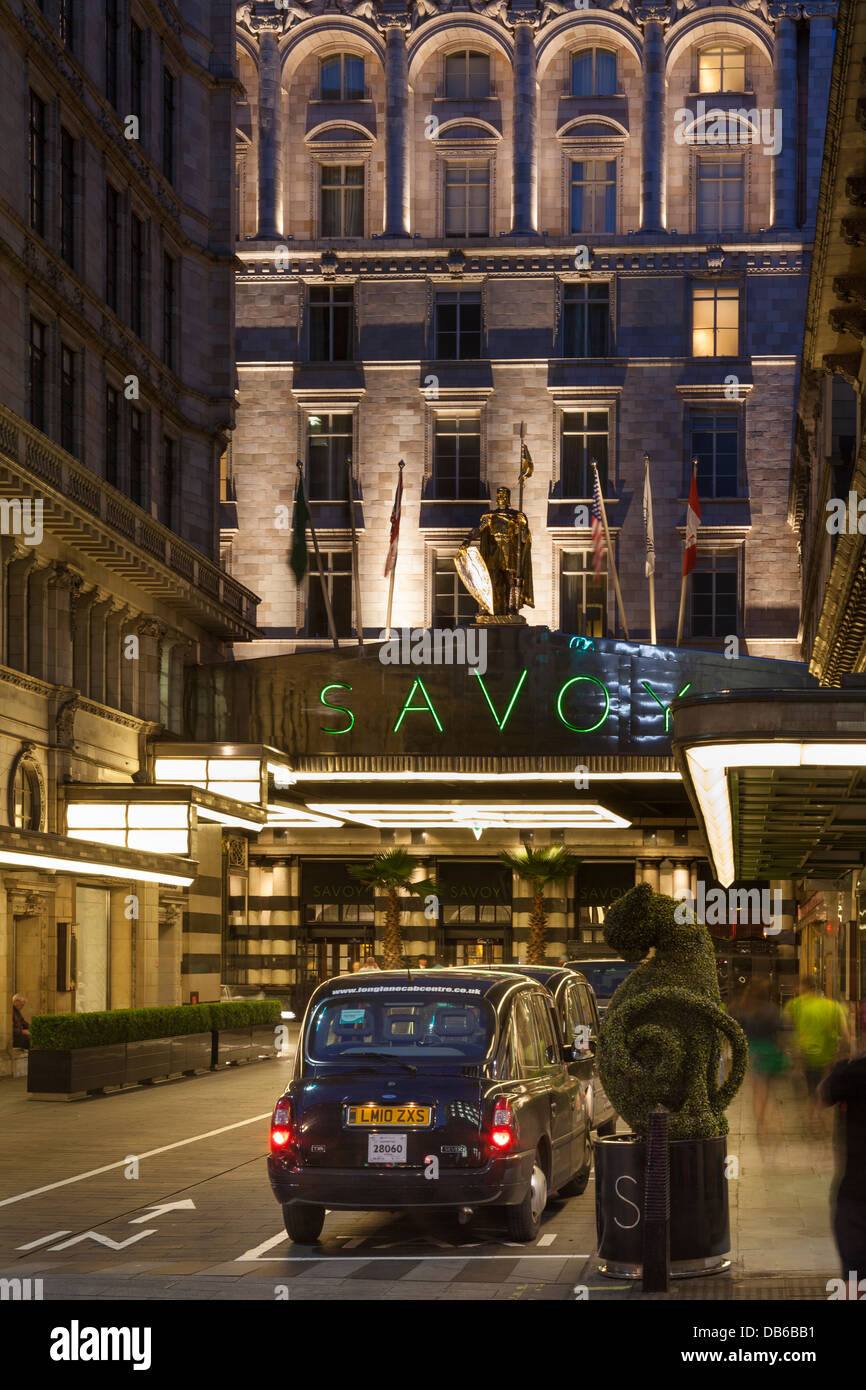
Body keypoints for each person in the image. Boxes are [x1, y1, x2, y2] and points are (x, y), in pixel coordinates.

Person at [820, 1051, 866, 1290]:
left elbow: (826, 1093)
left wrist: (840, 1067)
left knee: (855, 1274)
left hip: (856, 1194)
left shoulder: (855, 1072)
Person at [784, 978, 850, 1134]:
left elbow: (786, 1027)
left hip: (805, 1053)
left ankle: (814, 1114)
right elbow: (845, 1034)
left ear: (804, 987)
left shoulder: (795, 1004)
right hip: (828, 1054)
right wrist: (845, 1051)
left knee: (812, 1087)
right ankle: (817, 1114)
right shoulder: (832, 1005)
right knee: (824, 1085)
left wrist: (791, 1051)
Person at [731, 979, 787, 1136]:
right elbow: (781, 1033)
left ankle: (761, 1123)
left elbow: (736, 1031)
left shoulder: (744, 1010)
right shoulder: (774, 1010)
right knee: (767, 1089)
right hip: (771, 1051)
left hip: (753, 1053)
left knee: (757, 1090)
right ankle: (768, 1119)